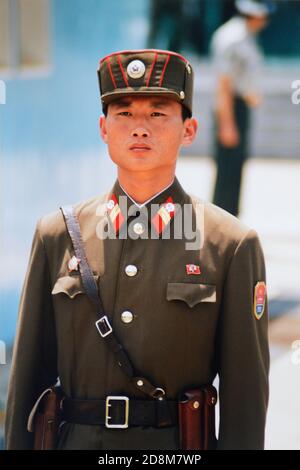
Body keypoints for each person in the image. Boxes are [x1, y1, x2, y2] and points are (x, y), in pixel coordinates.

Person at [5, 49, 269, 450]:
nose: (139, 128)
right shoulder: (57, 234)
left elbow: (245, 398)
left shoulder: (229, 244)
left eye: (158, 114)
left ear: (190, 129)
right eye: (124, 114)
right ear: (103, 128)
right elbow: (27, 383)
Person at [211, 0, 276, 216]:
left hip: (240, 106)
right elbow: (224, 84)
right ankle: (221, 222)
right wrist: (227, 123)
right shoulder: (233, 38)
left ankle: (230, 221)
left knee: (236, 169)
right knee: (227, 171)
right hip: (230, 107)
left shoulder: (246, 36)